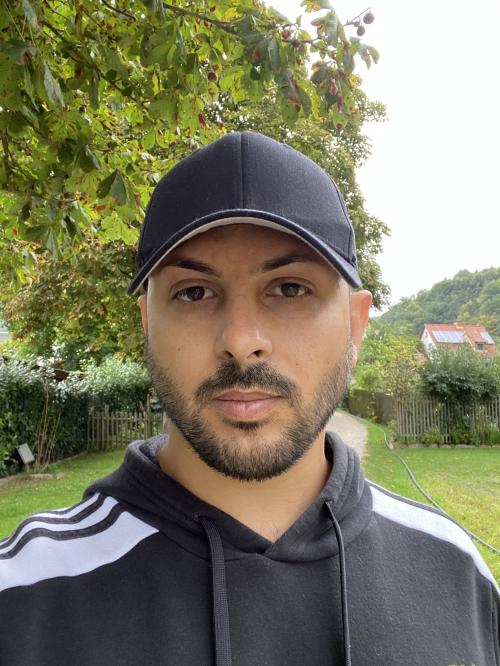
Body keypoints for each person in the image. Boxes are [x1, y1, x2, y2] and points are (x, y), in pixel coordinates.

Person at [0, 132, 498, 666]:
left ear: (355, 325)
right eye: (194, 292)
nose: (241, 340)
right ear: (148, 324)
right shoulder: (24, 599)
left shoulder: (457, 574)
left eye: (290, 288)